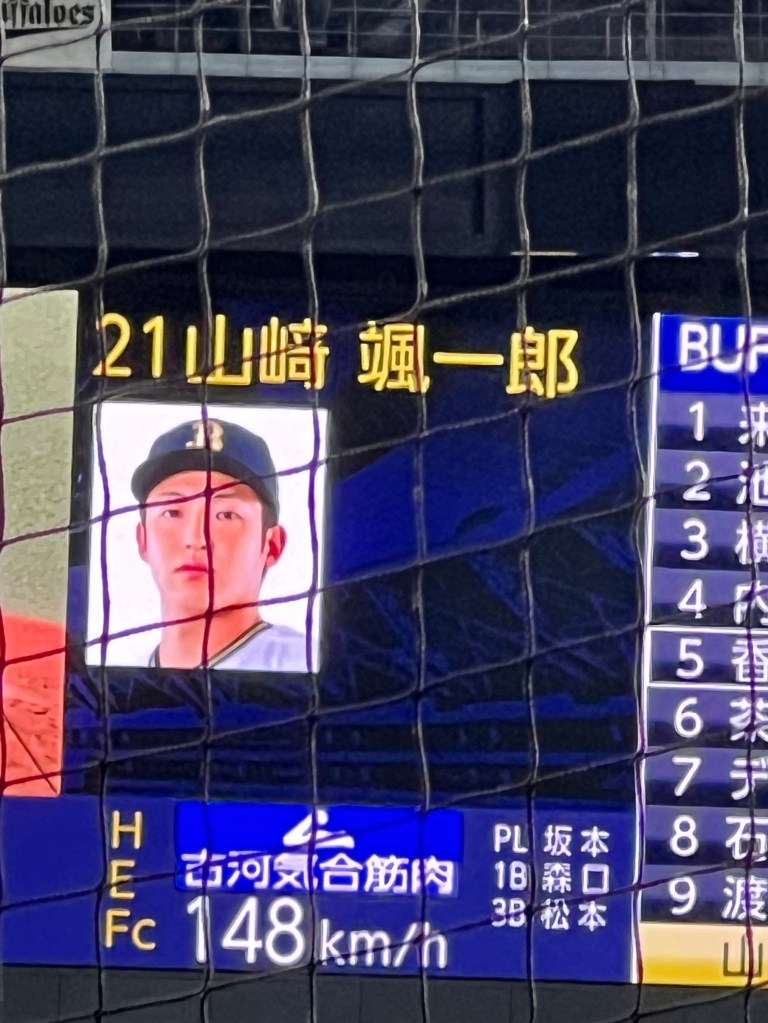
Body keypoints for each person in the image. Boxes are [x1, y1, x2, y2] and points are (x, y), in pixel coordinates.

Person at [130, 417, 309, 672]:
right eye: (172, 512)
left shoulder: (308, 665)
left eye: (226, 515)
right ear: (143, 539)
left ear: (272, 545)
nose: (196, 540)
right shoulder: (113, 677)